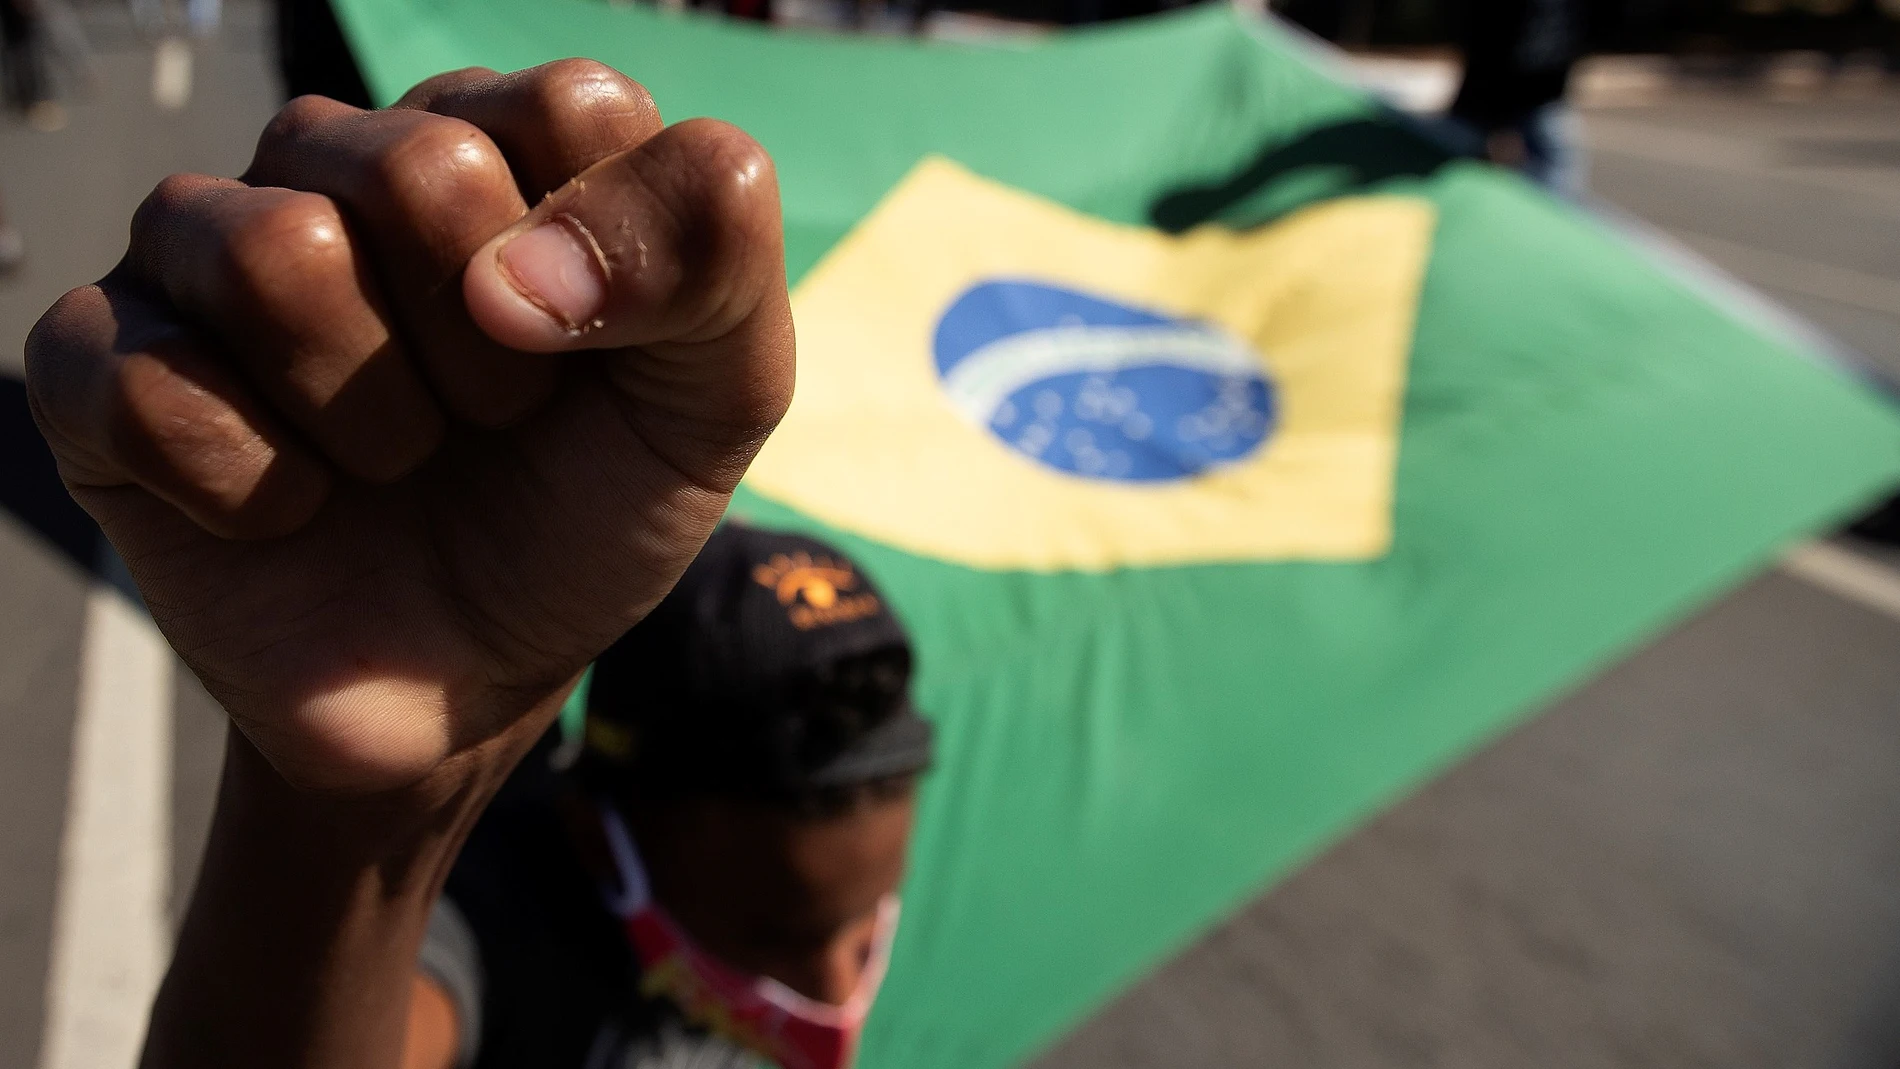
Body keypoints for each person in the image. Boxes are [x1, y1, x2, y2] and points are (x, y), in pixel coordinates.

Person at [24, 58, 796, 1069]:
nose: (827, 989)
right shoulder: (520, 936)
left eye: (866, 927)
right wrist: (359, 812)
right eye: (774, 926)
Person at [412, 523, 932, 1069]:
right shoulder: (486, 924)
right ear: (600, 837)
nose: (838, 997)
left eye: (867, 923)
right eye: (769, 939)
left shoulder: (742, 892)